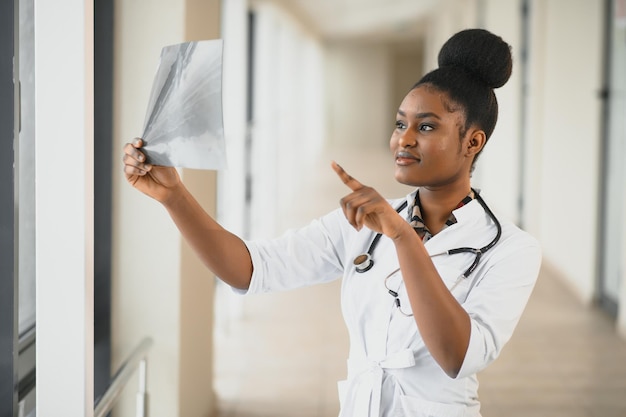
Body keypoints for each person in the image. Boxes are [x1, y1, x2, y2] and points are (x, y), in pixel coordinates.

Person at [123, 28, 541, 417]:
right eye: (400, 124)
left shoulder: (510, 250)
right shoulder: (362, 222)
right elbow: (251, 268)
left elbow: (458, 356)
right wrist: (174, 197)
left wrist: (402, 236)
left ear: (473, 141)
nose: (403, 139)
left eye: (426, 126)